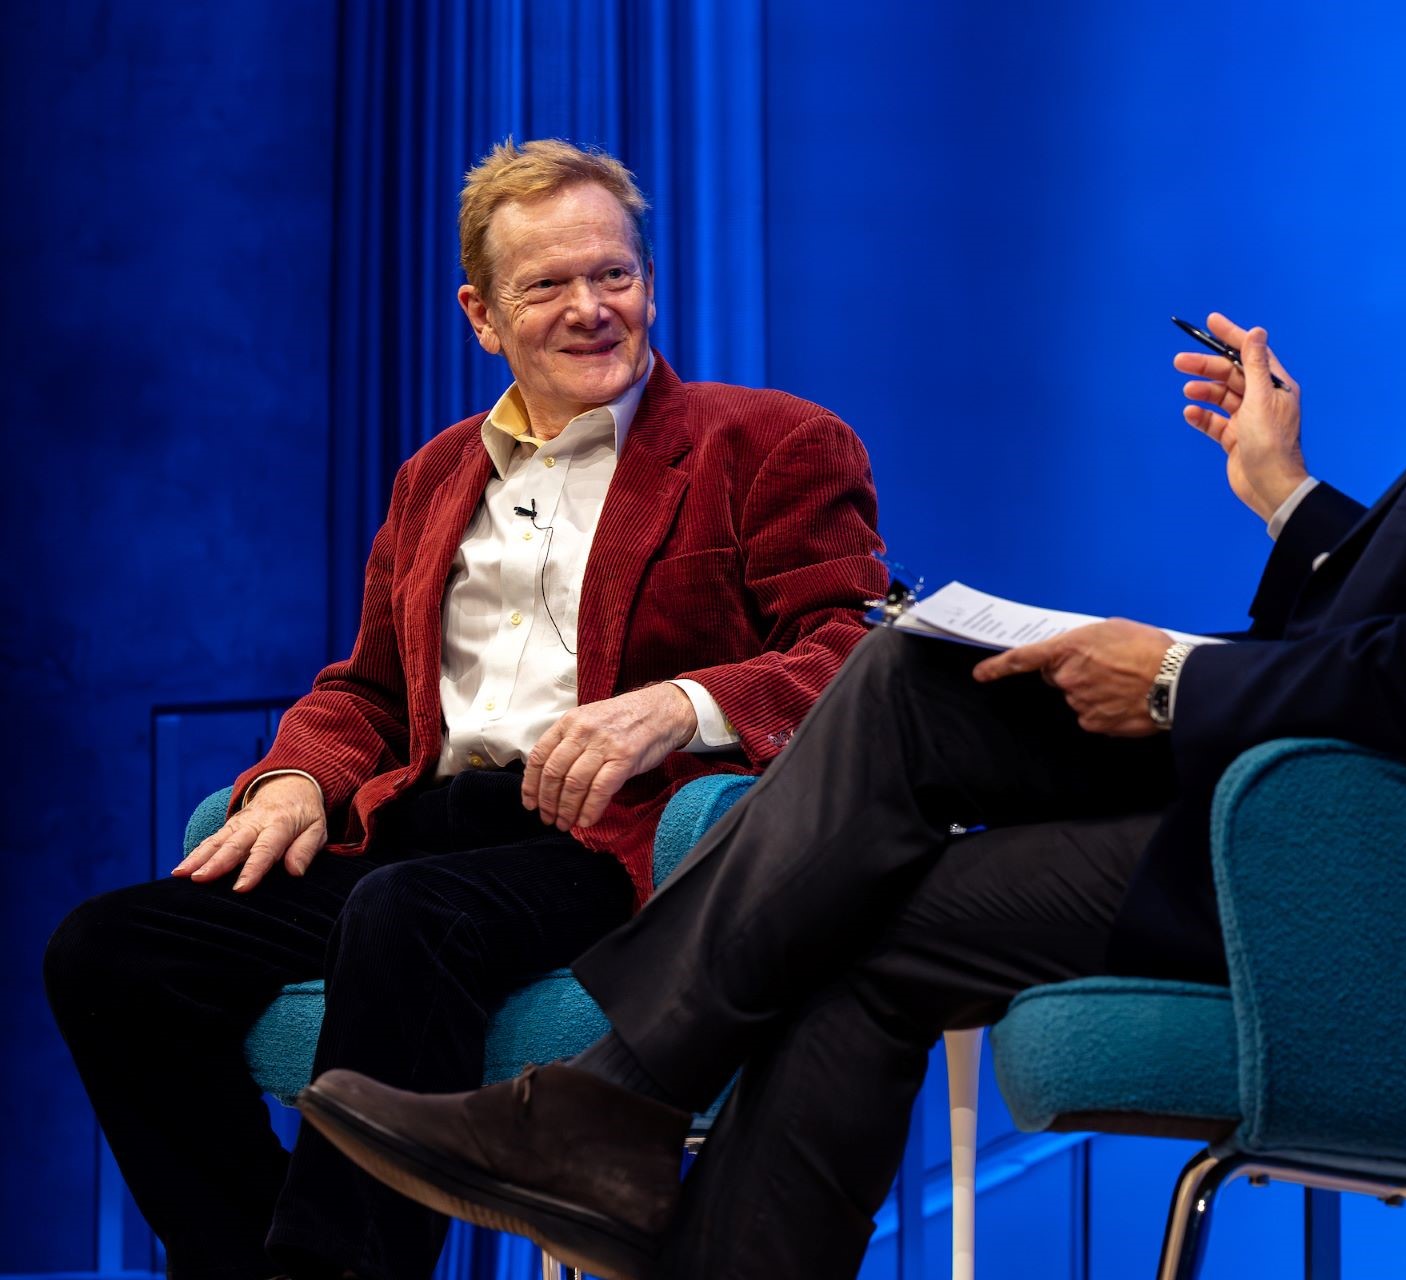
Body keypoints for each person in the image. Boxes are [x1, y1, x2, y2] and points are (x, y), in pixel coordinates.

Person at [296, 2, 1406, 1277]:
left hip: (1386, 898)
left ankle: (614, 1112)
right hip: (1353, 842)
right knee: (903, 731)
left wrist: (1166, 676)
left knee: (882, 777)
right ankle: (619, 1128)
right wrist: (1288, 499)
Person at [41, 138, 886, 1280]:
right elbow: (369, 687)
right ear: (483, 316)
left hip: (616, 838)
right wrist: (296, 776)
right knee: (113, 950)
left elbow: (852, 649)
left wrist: (680, 705)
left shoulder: (769, 443)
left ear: (648, 279)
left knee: (404, 913)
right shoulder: (435, 475)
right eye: (547, 284)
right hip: (430, 821)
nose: (591, 308)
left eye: (614, 275)